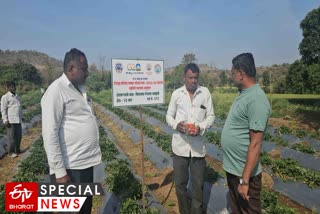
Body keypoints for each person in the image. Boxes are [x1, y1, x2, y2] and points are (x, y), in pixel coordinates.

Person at [41, 48, 101, 214]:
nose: (87, 73)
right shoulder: (56, 91)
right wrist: (60, 173)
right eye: (84, 69)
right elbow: (49, 134)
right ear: (70, 69)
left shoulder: (79, 90)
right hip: (70, 168)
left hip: (84, 164)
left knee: (84, 209)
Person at [221, 53, 270, 213]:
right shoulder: (243, 94)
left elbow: (256, 143)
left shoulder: (256, 99)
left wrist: (245, 181)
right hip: (234, 170)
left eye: (233, 73)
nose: (231, 76)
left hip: (244, 174)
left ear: (241, 74)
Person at [166, 63, 215, 214]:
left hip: (197, 149)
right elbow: (168, 115)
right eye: (190, 78)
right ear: (184, 78)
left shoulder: (205, 93)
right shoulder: (176, 94)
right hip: (180, 147)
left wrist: (200, 127)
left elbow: (211, 116)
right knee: (180, 185)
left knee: (198, 186)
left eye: (196, 78)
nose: (193, 81)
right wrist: (176, 125)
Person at [1, 81, 22, 158]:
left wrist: (21, 116)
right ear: (8, 88)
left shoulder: (17, 96)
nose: (14, 88)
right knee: (11, 137)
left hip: (18, 120)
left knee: (18, 136)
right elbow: (3, 109)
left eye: (15, 86)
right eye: (12, 86)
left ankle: (17, 150)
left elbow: (19, 108)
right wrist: (5, 120)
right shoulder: (5, 97)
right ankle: (11, 152)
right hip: (10, 121)